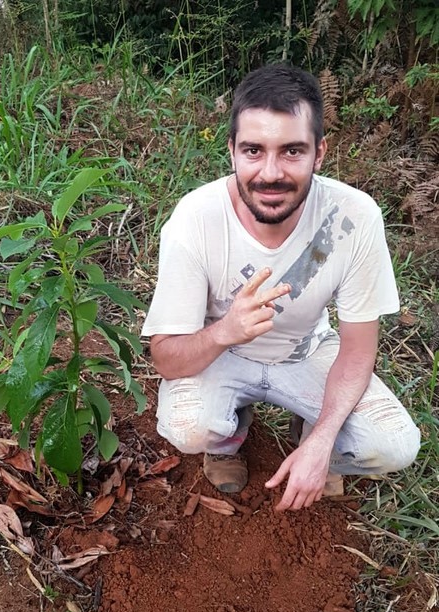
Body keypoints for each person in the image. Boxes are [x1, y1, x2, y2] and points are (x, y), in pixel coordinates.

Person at [142, 63, 420, 512]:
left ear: (320, 152)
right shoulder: (195, 219)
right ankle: (228, 435)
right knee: (187, 428)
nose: (270, 172)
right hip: (223, 355)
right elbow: (166, 358)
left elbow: (357, 347)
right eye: (253, 150)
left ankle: (310, 432)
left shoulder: (354, 216)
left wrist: (325, 439)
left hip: (307, 351)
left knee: (393, 445)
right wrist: (224, 331)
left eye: (292, 151)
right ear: (231, 150)